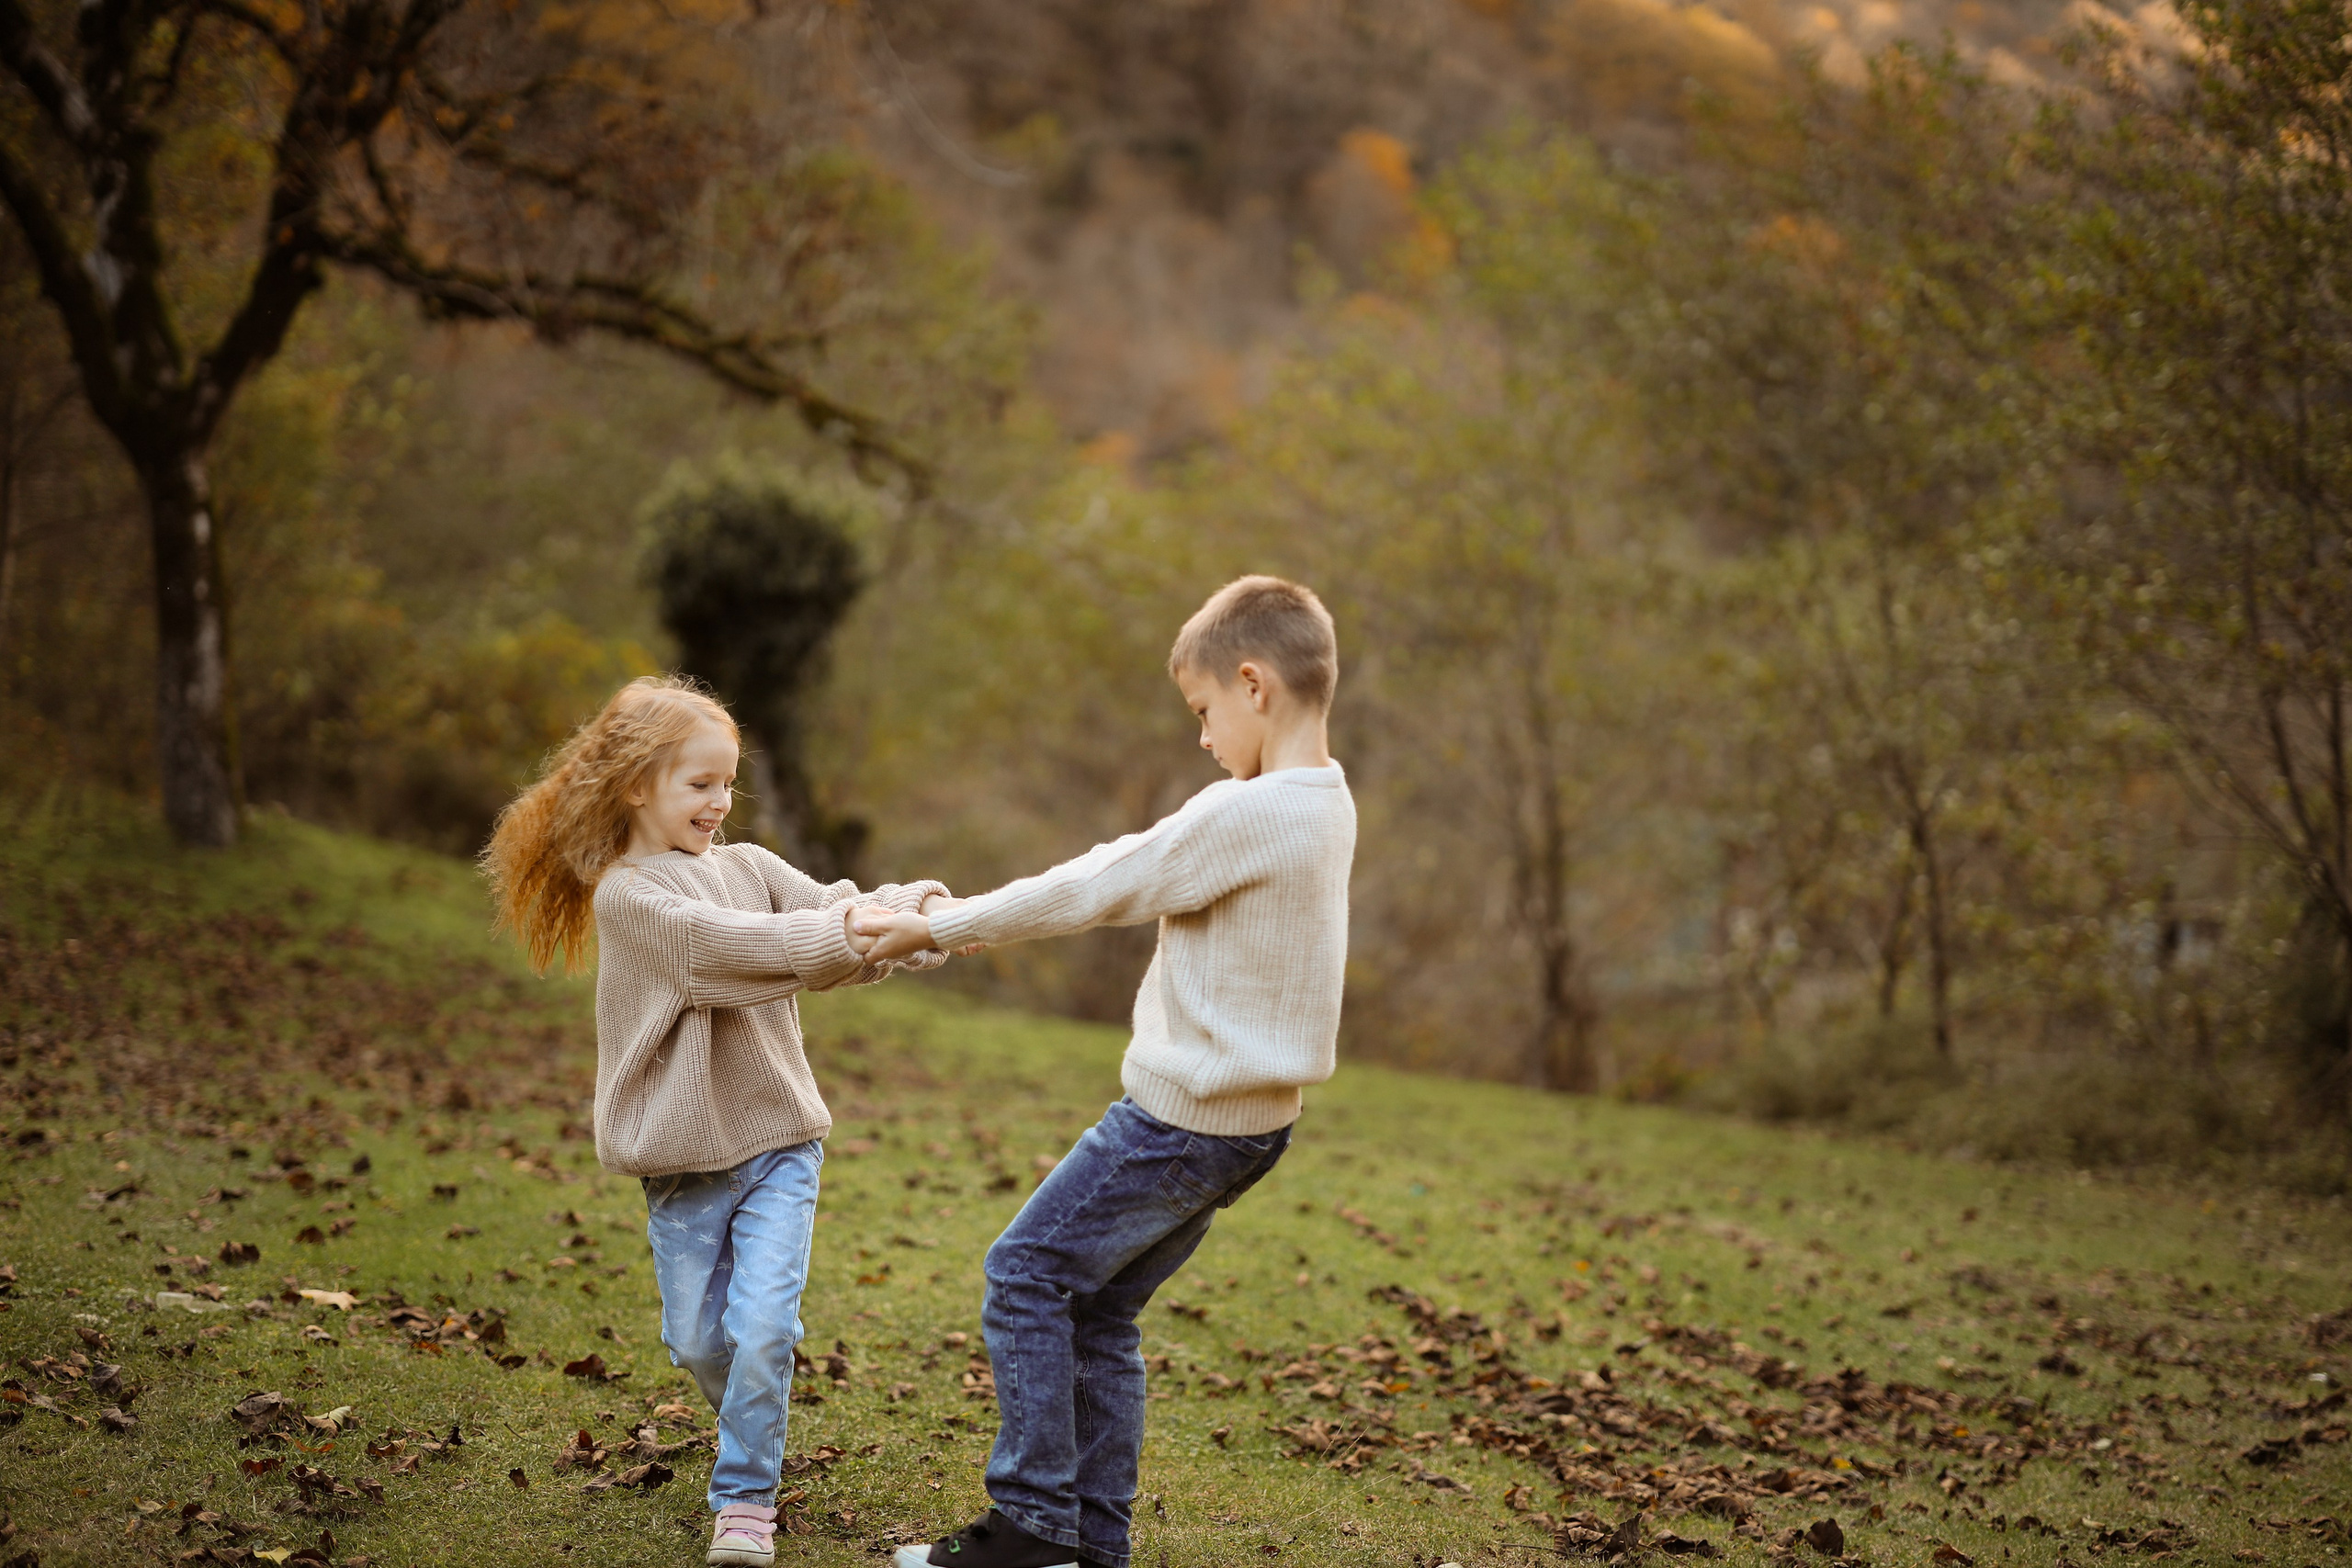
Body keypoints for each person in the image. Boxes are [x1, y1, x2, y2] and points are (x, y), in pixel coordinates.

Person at [850, 576, 1357, 1568]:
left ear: (1253, 685)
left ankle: (1032, 1532)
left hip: (1182, 1123)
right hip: (1252, 1128)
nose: (1203, 737)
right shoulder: (1326, 802)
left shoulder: (1248, 812)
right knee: (1101, 1312)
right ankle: (1092, 1548)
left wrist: (941, 927)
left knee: (1025, 1273)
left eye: (1204, 711)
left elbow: (1100, 881)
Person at [482, 674, 958, 1568]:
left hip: (779, 1144)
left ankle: (745, 1502)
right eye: (699, 784)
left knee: (764, 1329)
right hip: (684, 1161)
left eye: (727, 782)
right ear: (638, 786)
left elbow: (828, 905)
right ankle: (752, 1406)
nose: (720, 802)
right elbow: (726, 954)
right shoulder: (630, 896)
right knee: (703, 1340)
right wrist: (848, 937)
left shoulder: (748, 868)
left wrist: (914, 914)